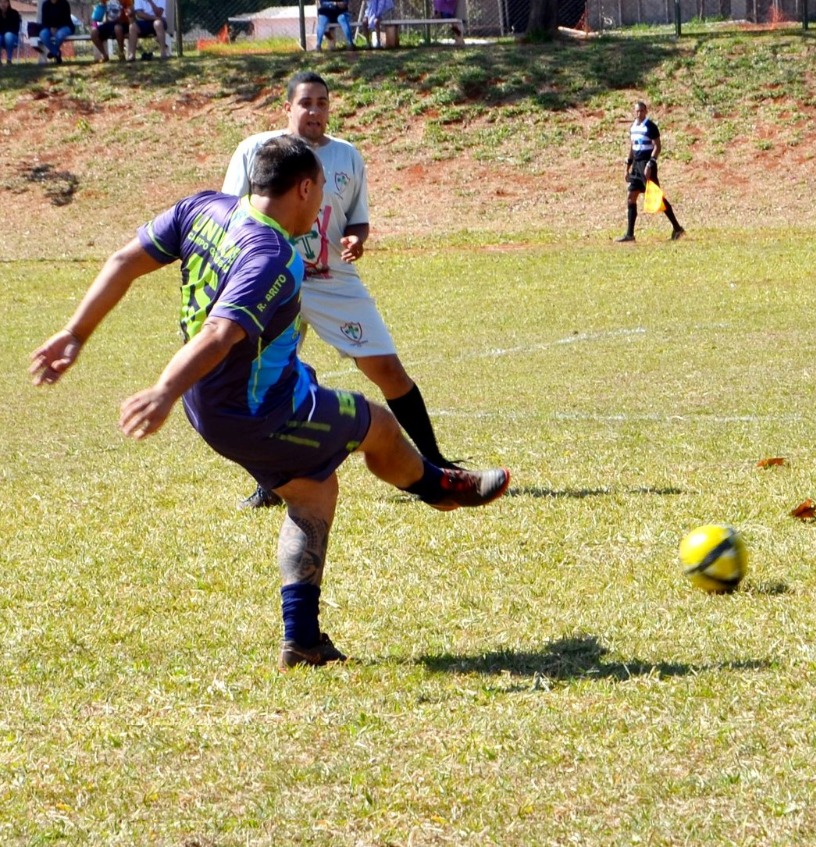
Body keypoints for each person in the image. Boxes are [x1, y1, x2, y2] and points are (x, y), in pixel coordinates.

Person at [30, 136, 512, 670]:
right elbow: (218, 334)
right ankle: (438, 487)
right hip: (261, 411)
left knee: (312, 492)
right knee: (375, 422)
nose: (324, 201)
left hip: (209, 402)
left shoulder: (204, 208)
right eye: (322, 189)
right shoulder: (274, 257)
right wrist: (161, 390)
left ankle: (302, 641)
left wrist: (76, 332)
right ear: (304, 188)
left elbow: (125, 259)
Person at [222, 71, 468, 510]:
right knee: (258, 383)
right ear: (288, 108)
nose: (314, 111)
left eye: (322, 103)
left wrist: (357, 238)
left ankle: (434, 463)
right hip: (273, 280)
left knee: (388, 371)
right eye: (305, 103)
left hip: (332, 280)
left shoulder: (346, 157)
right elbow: (230, 215)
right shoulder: (254, 152)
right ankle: (271, 484)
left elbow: (358, 218)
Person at [615, 101, 685, 243]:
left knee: (657, 197)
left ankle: (677, 228)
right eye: (637, 111)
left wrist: (651, 163)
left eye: (641, 111)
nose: (639, 113)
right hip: (636, 166)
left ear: (646, 111)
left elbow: (657, 146)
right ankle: (630, 234)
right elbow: (632, 147)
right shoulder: (633, 127)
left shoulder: (650, 126)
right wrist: (627, 166)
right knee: (631, 196)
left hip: (647, 165)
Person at [0, 0, 22, 65]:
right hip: (1, 37)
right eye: (1, 2)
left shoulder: (14, 13)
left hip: (12, 38)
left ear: (8, 3)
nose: (3, 4)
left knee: (8, 35)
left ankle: (9, 59)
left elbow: (16, 29)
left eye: (4, 2)